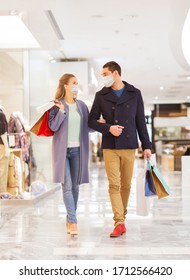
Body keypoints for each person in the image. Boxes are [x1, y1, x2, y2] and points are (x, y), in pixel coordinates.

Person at [88, 61, 152, 237]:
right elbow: (92, 120)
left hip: (130, 144)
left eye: (105, 74)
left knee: (126, 185)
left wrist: (147, 145)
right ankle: (119, 222)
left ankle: (121, 218)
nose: (103, 78)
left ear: (115, 73)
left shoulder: (134, 93)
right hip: (110, 146)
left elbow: (141, 121)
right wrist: (108, 128)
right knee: (114, 184)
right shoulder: (101, 95)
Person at [48, 73, 90, 236]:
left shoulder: (81, 105)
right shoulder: (57, 105)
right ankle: (73, 221)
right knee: (66, 187)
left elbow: (88, 127)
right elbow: (53, 127)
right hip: (61, 152)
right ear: (65, 85)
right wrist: (60, 111)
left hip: (78, 150)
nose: (76, 85)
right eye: (74, 82)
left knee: (75, 187)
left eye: (77, 83)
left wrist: (99, 124)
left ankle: (70, 217)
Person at [0, 106, 8, 193]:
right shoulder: (1, 114)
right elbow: (3, 132)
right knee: (2, 170)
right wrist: (7, 147)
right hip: (1, 144)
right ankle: (1, 193)